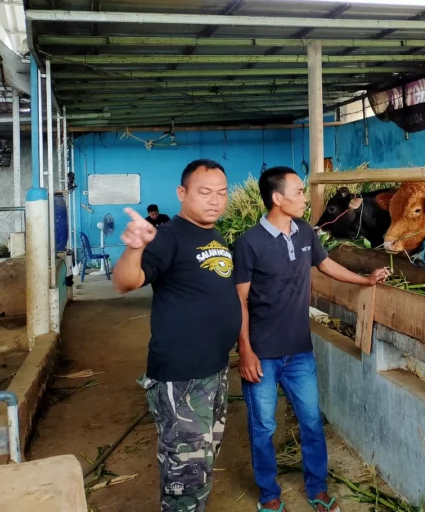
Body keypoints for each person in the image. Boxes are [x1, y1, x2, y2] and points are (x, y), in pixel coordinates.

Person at [233, 166, 390, 512]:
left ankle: (317, 488)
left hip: (299, 352)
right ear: (278, 198)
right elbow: (239, 301)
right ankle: (269, 495)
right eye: (300, 192)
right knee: (263, 428)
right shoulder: (248, 244)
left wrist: (365, 280)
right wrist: (245, 351)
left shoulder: (304, 232)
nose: (305, 198)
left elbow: (326, 265)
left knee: (311, 422)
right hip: (262, 353)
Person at [112, 159, 239, 512]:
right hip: (183, 378)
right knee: (185, 474)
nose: (215, 200)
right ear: (182, 193)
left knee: (203, 463)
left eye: (221, 193)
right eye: (204, 192)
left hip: (214, 371)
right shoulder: (169, 237)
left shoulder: (214, 234)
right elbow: (125, 282)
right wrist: (135, 247)